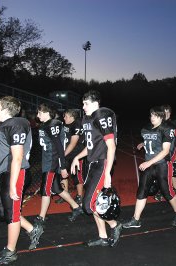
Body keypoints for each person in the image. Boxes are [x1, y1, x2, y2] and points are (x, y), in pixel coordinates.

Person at [0, 96, 44, 265]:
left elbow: (18, 157)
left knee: (11, 214)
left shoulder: (16, 124)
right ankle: (32, 229)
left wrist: (12, 184)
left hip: (16, 173)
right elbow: (4, 153)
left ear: (6, 110)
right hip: (6, 172)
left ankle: (10, 252)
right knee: (2, 211)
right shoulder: (3, 125)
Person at [71, 90, 123, 247]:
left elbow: (111, 145)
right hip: (92, 163)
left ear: (95, 103)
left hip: (102, 163)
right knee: (96, 202)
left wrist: (107, 172)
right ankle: (103, 236)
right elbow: (90, 146)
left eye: (86, 103)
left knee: (89, 205)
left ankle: (114, 224)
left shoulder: (102, 114)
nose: (83, 106)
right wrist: (76, 157)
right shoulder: (88, 119)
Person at [122, 106, 176, 229]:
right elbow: (154, 141)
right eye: (151, 115)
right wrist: (144, 143)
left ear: (161, 117)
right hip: (150, 164)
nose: (152, 118)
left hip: (163, 165)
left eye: (155, 116)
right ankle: (136, 219)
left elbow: (165, 151)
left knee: (167, 191)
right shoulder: (147, 128)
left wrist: (148, 163)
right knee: (142, 191)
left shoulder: (167, 128)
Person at [34, 103, 83, 227]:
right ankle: (76, 207)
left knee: (46, 190)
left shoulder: (53, 124)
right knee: (56, 188)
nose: (37, 115)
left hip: (52, 161)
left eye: (40, 112)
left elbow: (59, 147)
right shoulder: (46, 125)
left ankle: (41, 218)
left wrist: (62, 166)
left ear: (46, 113)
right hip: (48, 160)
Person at [55, 109, 85, 205]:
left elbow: (73, 143)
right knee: (63, 173)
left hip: (76, 154)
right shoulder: (65, 124)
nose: (64, 118)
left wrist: (62, 154)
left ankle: (80, 196)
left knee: (77, 175)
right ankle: (66, 194)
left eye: (66, 116)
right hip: (67, 153)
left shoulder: (77, 125)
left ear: (72, 117)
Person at [153, 104, 176, 200]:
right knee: (166, 171)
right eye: (164, 112)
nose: (166, 114)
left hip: (171, 151)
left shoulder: (174, 124)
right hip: (161, 151)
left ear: (170, 112)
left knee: (167, 172)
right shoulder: (159, 123)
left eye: (168, 111)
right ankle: (175, 189)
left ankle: (165, 191)